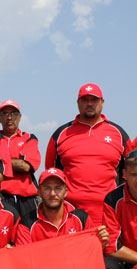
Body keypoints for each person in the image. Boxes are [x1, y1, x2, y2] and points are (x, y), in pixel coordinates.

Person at [45, 83, 130, 225]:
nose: (89, 104)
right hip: (70, 215)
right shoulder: (61, 133)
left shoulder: (118, 133)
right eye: (85, 100)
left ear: (102, 102)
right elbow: (51, 174)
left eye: (94, 100)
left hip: (108, 213)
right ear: (78, 103)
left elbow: (131, 172)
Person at [15, 167, 104, 244]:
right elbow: (24, 259)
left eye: (58, 188)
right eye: (47, 188)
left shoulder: (82, 218)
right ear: (39, 192)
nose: (53, 193)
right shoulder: (26, 224)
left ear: (66, 192)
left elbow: (91, 251)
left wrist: (102, 242)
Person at [0, 99, 41, 217]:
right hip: (2, 197)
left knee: (30, 233)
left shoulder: (28, 137)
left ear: (20, 117)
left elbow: (26, 166)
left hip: (27, 200)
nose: (9, 117)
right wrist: (16, 162)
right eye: (5, 114)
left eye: (13, 114)